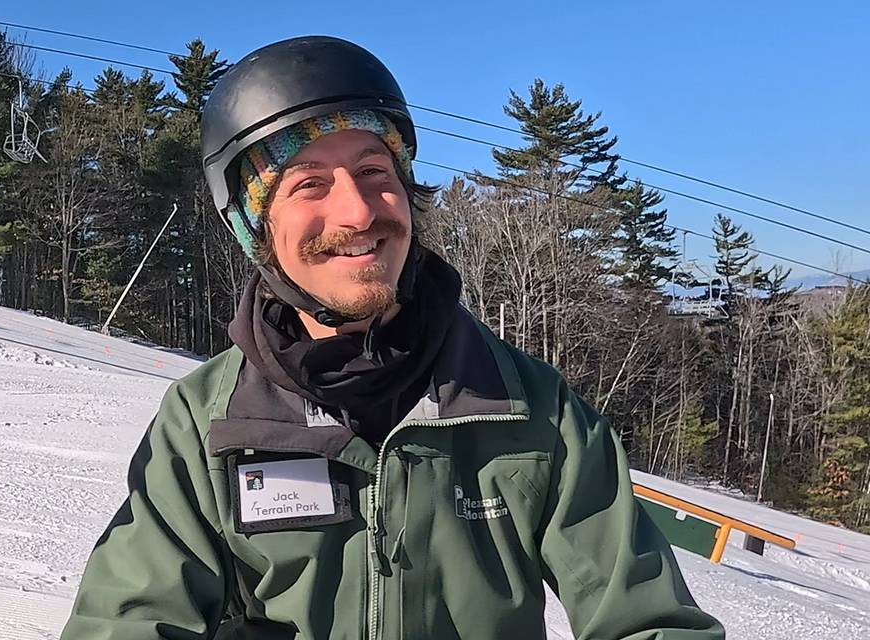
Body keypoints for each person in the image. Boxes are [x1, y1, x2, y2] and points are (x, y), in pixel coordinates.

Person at [61, 36, 722, 639]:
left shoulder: (531, 410)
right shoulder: (208, 421)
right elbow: (130, 620)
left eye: (377, 174)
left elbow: (648, 620)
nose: (357, 211)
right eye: (310, 184)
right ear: (253, 228)